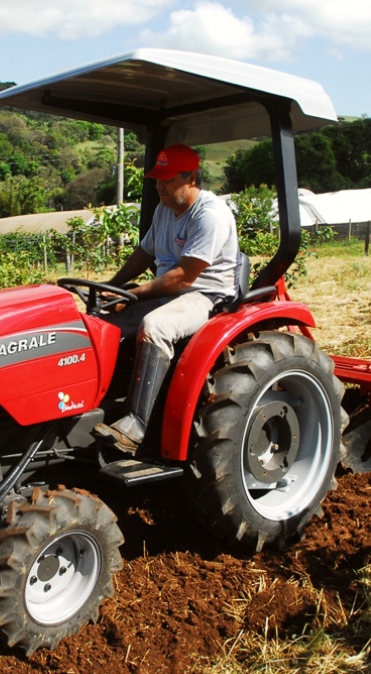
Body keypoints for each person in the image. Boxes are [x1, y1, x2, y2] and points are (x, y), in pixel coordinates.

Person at [93, 143, 239, 454]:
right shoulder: (165, 209)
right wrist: (111, 287)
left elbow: (184, 276)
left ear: (193, 179)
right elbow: (144, 254)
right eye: (158, 179)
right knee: (100, 319)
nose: (159, 185)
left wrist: (131, 295)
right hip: (170, 290)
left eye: (168, 179)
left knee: (155, 326)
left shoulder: (210, 215)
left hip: (204, 295)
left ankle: (136, 425)